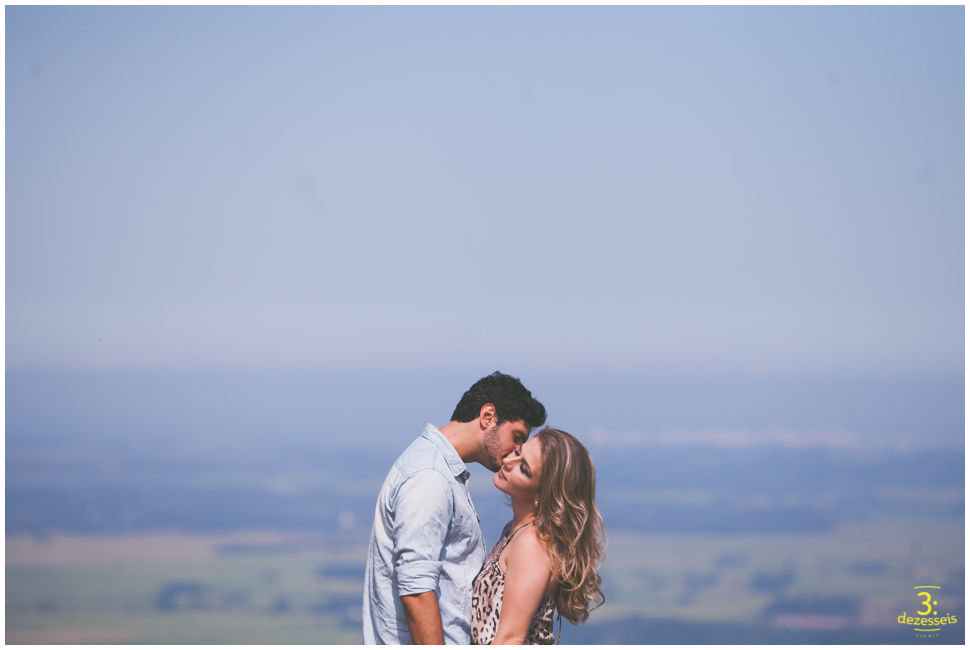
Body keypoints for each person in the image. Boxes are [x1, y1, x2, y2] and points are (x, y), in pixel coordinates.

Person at [363, 372, 547, 645]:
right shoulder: (430, 477)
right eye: (516, 437)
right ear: (487, 416)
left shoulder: (440, 472)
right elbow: (417, 591)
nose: (515, 452)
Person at [470, 427, 605, 645]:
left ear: (543, 495)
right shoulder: (516, 530)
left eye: (524, 468)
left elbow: (510, 639)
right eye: (517, 452)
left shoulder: (532, 543)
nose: (508, 462)